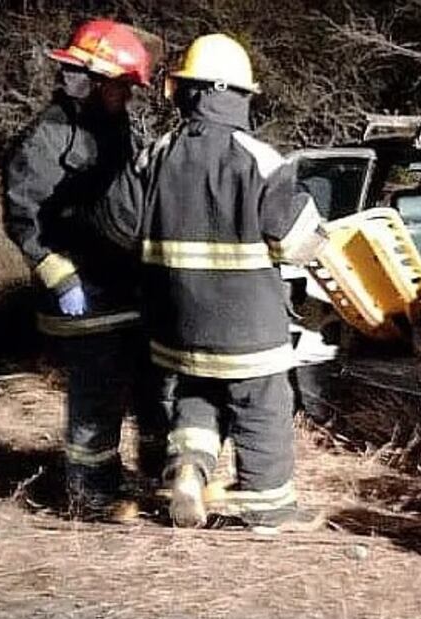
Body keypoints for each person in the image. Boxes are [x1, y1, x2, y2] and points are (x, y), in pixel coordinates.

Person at [92, 34, 325, 532]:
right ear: (238, 94)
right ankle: (271, 510)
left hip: (175, 325)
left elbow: (115, 224)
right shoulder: (260, 159)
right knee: (264, 406)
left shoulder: (153, 156)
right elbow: (297, 240)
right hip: (249, 329)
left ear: (187, 93)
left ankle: (189, 472)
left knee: (196, 397)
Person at [2, 19, 169, 521]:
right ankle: (89, 494)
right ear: (92, 80)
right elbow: (22, 214)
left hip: (123, 287)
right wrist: (56, 271)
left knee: (147, 387)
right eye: (121, 86)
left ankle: (151, 477)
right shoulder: (48, 137)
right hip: (80, 291)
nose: (127, 96)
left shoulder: (116, 128)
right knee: (96, 394)